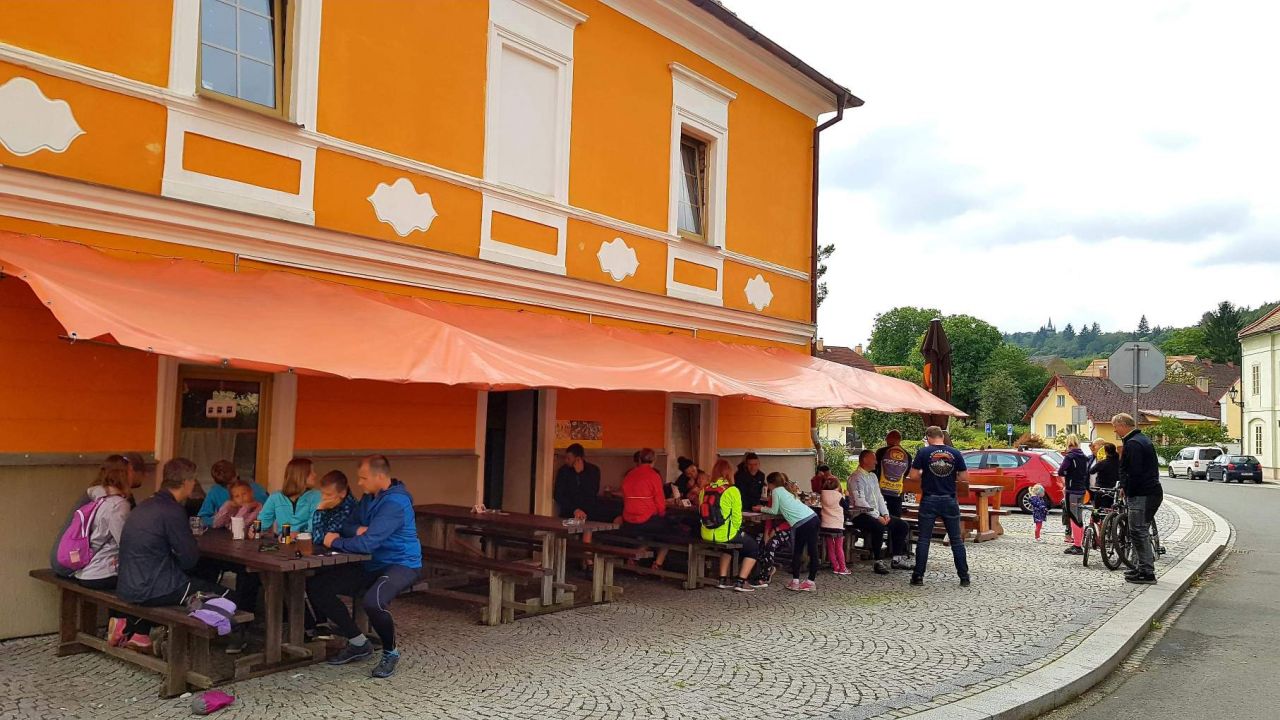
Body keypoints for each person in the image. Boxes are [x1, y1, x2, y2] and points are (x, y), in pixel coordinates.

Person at [309, 455, 422, 679]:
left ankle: (390, 653)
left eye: (363, 478)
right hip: (372, 562)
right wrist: (357, 530)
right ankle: (358, 643)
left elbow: (367, 543)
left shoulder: (395, 503)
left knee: (373, 601)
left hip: (401, 563)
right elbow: (348, 525)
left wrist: (334, 542)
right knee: (318, 586)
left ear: (379, 476)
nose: (359, 483)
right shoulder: (369, 497)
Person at [117, 458, 237, 654]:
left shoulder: (145, 505)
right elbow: (189, 559)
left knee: (202, 580)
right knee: (229, 596)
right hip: (154, 588)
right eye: (193, 480)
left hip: (128, 584)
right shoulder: (172, 510)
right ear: (186, 482)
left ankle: (145, 633)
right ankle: (227, 642)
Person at [73, 466, 133, 646]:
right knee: (135, 582)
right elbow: (125, 541)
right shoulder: (118, 505)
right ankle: (126, 629)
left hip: (84, 570)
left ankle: (116, 625)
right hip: (101, 571)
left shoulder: (97, 501)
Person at [908, 427, 971, 587]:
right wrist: (951, 474)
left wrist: (924, 473)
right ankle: (964, 577)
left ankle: (918, 576)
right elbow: (964, 477)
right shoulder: (955, 453)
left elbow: (913, 475)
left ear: (928, 437)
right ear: (942, 436)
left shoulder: (923, 452)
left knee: (924, 539)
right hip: (949, 499)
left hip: (929, 499)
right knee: (956, 540)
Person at [616, 448, 686, 571]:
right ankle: (658, 564)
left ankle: (636, 557)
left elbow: (625, 496)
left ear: (639, 459)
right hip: (646, 520)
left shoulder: (629, 475)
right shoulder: (654, 475)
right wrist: (662, 514)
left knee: (653, 533)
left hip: (628, 520)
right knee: (673, 530)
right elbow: (660, 502)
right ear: (654, 460)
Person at [699, 459, 761, 592]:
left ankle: (722, 579)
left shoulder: (704, 489)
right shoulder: (732, 490)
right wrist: (737, 531)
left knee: (728, 547)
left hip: (706, 533)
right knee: (753, 547)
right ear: (729, 473)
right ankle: (741, 581)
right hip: (725, 534)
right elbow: (737, 517)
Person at [1113, 413, 1161, 584]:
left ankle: (1147, 572)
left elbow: (1134, 472)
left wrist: (1127, 490)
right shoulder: (1141, 439)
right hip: (1150, 491)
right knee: (1139, 531)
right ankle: (1140, 568)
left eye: (1115, 427)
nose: (1114, 430)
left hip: (1142, 493)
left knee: (1138, 531)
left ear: (1122, 425)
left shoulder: (1133, 443)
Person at [848, 449, 912, 573]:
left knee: (902, 525)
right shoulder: (856, 478)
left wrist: (886, 514)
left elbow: (879, 497)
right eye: (874, 459)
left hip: (875, 513)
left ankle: (897, 559)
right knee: (878, 527)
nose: (876, 462)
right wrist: (878, 517)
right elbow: (860, 502)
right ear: (865, 460)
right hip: (860, 514)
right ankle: (878, 561)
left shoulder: (872, 476)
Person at [756, 472, 820, 591]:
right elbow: (782, 509)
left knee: (799, 551)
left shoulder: (776, 491)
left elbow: (774, 511)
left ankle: (797, 581)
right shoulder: (786, 491)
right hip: (811, 518)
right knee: (811, 551)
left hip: (802, 522)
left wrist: (761, 508)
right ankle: (809, 581)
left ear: (771, 484)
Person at [258, 458, 322, 534]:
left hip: (306, 540)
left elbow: (314, 527)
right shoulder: (275, 497)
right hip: (282, 540)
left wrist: (298, 535)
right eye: (311, 472)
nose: (315, 475)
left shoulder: (316, 496)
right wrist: (254, 530)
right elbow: (262, 524)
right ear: (299, 475)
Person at [197, 460, 268, 528]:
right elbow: (202, 518)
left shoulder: (255, 488)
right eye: (224, 485)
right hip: (225, 531)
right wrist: (221, 519)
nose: (229, 487)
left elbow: (268, 513)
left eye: (231, 483)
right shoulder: (215, 491)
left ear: (236, 474)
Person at [1058, 435, 1090, 555]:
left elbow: (1061, 471)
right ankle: (1079, 542)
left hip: (1072, 490)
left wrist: (1068, 473)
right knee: (1079, 517)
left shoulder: (1070, 457)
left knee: (1073, 517)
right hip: (1081, 489)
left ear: (1068, 443)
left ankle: (1077, 545)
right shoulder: (1084, 456)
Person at [553, 443, 601, 521]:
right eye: (565, 458)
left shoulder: (593, 470)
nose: (566, 461)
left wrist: (580, 475)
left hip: (588, 513)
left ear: (578, 459)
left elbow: (592, 493)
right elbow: (558, 495)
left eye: (568, 458)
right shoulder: (563, 471)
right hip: (568, 512)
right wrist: (574, 509)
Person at [874, 430, 912, 517]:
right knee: (895, 517)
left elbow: (874, 469)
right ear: (899, 440)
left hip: (880, 490)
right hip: (896, 491)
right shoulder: (907, 455)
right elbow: (905, 473)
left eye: (886, 438)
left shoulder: (881, 452)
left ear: (889, 439)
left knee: (878, 516)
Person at [818, 477, 849, 576]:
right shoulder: (839, 496)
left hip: (825, 524)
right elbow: (846, 507)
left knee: (830, 547)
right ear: (838, 486)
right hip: (837, 525)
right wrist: (847, 496)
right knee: (839, 547)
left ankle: (836, 567)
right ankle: (843, 568)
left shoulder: (823, 495)